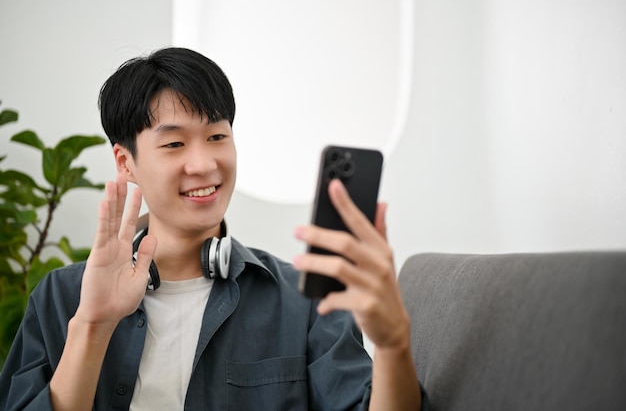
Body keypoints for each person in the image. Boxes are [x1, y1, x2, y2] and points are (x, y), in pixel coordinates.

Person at [0, 47, 421, 410]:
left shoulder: (302, 302)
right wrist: (92, 326)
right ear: (126, 163)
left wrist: (392, 344)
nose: (203, 164)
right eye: (174, 144)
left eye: (217, 136)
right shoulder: (60, 299)